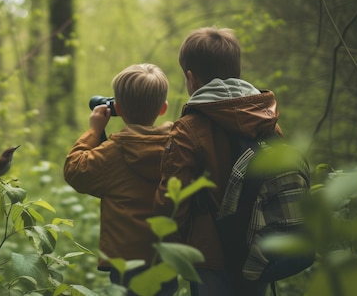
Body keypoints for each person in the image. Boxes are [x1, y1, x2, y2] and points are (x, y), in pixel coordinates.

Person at [156, 26, 282, 296]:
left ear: (191, 79)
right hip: (259, 247)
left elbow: (173, 199)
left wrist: (171, 247)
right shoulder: (266, 120)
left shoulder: (189, 128)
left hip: (210, 257)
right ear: (237, 71)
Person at [64, 63, 177, 295]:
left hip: (126, 261)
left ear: (118, 108)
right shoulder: (177, 146)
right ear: (163, 108)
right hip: (166, 254)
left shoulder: (113, 152)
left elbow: (75, 170)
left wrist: (95, 131)